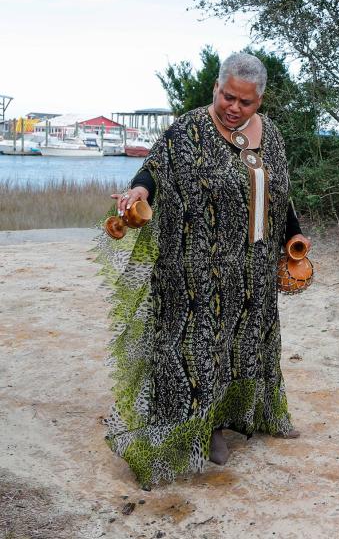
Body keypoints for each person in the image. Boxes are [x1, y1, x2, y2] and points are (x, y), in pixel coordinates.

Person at [101, 53, 309, 489]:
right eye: (228, 96)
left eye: (246, 102)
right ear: (215, 87)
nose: (235, 107)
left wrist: (293, 242)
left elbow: (279, 191)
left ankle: (257, 412)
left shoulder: (270, 133)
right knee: (202, 348)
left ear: (260, 100)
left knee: (251, 341)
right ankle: (206, 427)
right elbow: (155, 168)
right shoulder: (189, 129)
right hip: (197, 264)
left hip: (252, 264)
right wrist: (140, 189)